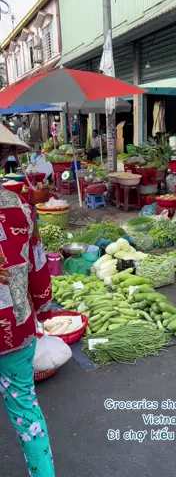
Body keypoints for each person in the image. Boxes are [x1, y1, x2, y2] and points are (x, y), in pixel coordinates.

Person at [0, 185, 55, 476]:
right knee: (25, 410)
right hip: (16, 328)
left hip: (15, 330)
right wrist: (44, 307)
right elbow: (37, 260)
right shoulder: (19, 205)